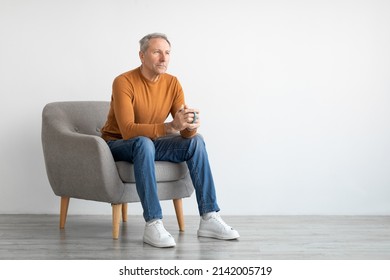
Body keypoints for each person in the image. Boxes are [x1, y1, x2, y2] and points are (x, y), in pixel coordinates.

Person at [101, 32, 239, 248]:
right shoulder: (123, 82)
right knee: (143, 142)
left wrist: (190, 127)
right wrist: (170, 127)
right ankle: (153, 222)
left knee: (196, 142)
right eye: (157, 52)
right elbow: (128, 131)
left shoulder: (172, 83)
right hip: (118, 144)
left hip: (150, 142)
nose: (163, 58)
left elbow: (182, 130)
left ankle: (209, 217)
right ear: (142, 55)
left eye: (167, 53)